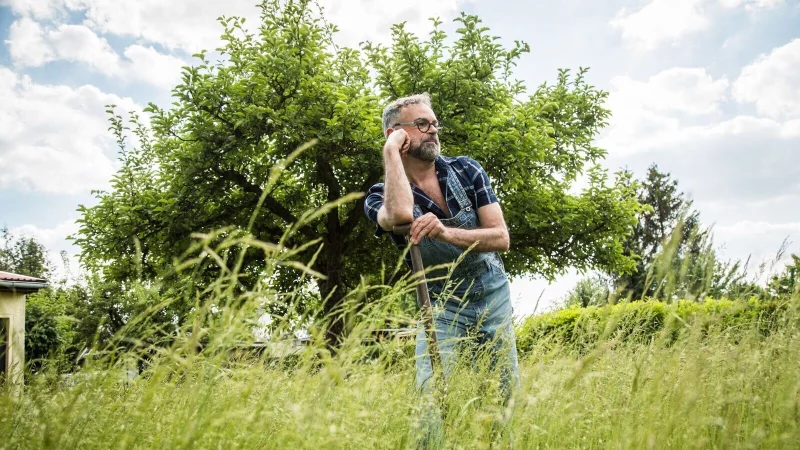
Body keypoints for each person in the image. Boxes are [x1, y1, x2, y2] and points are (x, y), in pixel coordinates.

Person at [363, 93, 520, 447]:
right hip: (441, 305)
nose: (433, 130)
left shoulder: (466, 170)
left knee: (502, 396)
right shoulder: (378, 196)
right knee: (428, 397)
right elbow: (401, 216)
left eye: (434, 123)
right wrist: (391, 153)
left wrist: (447, 232)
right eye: (421, 124)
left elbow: (500, 237)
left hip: (491, 292)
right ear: (395, 134)